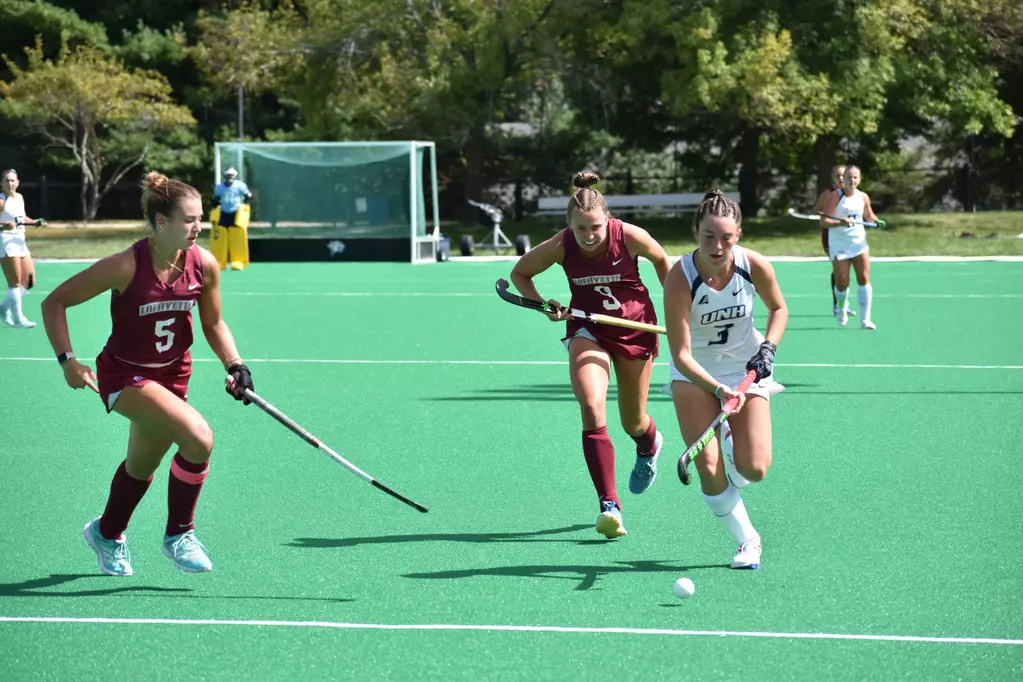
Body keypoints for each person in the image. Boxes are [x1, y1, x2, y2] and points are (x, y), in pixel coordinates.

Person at [41, 171, 254, 577]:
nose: (198, 227)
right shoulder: (125, 265)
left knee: (140, 467)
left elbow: (213, 324)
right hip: (124, 375)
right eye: (188, 220)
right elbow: (55, 302)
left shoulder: (204, 265)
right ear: (161, 222)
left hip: (173, 376)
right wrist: (68, 360)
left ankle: (106, 532)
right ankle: (179, 534)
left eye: (200, 220)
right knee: (198, 437)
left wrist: (236, 365)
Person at [509, 171, 672, 539]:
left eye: (595, 226)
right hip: (588, 330)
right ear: (570, 225)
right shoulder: (562, 244)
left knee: (633, 422)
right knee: (591, 406)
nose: (589, 235)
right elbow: (520, 272)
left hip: (636, 330)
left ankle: (649, 444)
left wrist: (679, 309)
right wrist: (543, 304)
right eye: (581, 228)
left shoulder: (627, 235)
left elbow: (663, 262)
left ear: (607, 220)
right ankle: (609, 505)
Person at [662, 190, 788, 569]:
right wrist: (717, 389)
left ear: (739, 234)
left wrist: (768, 347)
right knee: (710, 469)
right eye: (709, 237)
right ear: (696, 233)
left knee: (755, 469)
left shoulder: (754, 265)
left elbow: (779, 309)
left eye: (726, 237)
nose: (718, 246)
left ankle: (733, 440)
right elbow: (681, 355)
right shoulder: (680, 278)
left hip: (745, 367)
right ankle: (748, 541)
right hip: (694, 373)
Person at [820, 165, 883, 329]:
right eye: (849, 177)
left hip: (858, 243)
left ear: (859, 179)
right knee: (842, 283)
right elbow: (824, 221)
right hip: (839, 245)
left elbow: (869, 215)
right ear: (844, 180)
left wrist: (876, 221)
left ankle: (865, 320)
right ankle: (841, 308)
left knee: (864, 278)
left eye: (855, 177)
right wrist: (840, 222)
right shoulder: (835, 196)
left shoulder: (863, 197)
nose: (852, 181)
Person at [0, 168, 46, 328]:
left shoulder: (19, 197)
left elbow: (22, 217)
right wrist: (3, 226)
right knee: (15, 282)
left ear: (18, 182)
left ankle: (3, 307)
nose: (10, 183)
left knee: (29, 280)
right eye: (7, 180)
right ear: (2, 183)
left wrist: (34, 222)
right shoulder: (1, 201)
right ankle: (18, 320)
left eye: (13, 180)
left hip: (20, 241)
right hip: (6, 241)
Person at [813, 165, 855, 319]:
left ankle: (842, 304)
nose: (841, 179)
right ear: (833, 178)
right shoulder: (828, 194)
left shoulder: (853, 195)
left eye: (844, 175)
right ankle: (838, 304)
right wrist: (828, 215)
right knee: (838, 268)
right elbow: (817, 210)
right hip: (830, 236)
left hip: (847, 236)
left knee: (846, 269)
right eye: (838, 176)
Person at [210, 167, 253, 271]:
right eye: (228, 176)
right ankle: (220, 261)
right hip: (223, 213)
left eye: (232, 176)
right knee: (221, 237)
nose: (230, 178)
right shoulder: (219, 187)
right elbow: (215, 199)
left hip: (236, 214)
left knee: (237, 237)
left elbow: (248, 196)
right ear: (225, 176)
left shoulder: (240, 186)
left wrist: (246, 207)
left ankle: (237, 261)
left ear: (235, 176)